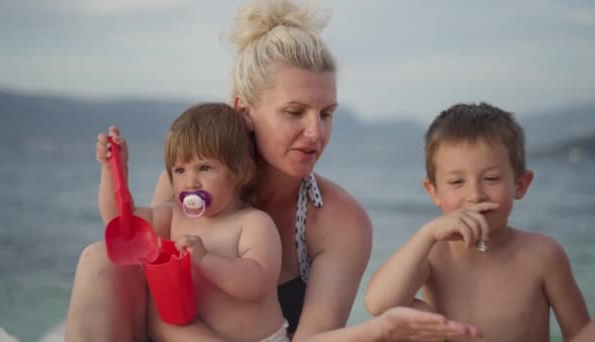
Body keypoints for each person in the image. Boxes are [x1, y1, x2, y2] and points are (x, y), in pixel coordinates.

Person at [66, 0, 482, 340]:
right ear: (243, 111)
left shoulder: (341, 222)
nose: (316, 133)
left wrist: (381, 330)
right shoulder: (187, 188)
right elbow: (154, 297)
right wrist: (112, 172)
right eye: (294, 112)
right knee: (100, 259)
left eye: (327, 113)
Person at [364, 102, 590, 341]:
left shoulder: (543, 255)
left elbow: (580, 332)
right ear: (434, 192)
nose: (475, 194)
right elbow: (379, 304)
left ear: (520, 185)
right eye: (456, 182)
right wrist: (427, 234)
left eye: (491, 178)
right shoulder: (433, 255)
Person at [95, 103, 289, 341]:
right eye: (179, 170)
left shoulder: (253, 223)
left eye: (204, 168)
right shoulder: (174, 216)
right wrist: (113, 170)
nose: (191, 182)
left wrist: (206, 260)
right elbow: (121, 223)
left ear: (240, 171)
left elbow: (257, 283)